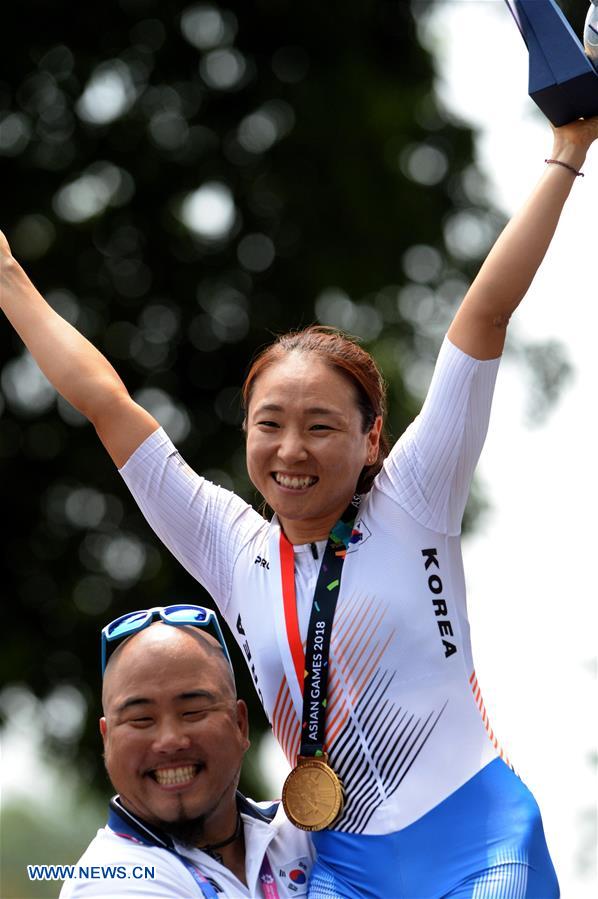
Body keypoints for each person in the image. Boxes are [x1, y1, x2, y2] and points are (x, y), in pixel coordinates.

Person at [3, 116, 598, 897]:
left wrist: (568, 150)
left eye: (320, 426)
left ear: (372, 438)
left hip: (479, 847)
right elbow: (106, 403)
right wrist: (6, 276)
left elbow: (484, 316)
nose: (292, 450)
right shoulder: (229, 546)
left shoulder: (417, 497)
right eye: (270, 425)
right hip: (343, 869)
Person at [59, 604, 314, 898]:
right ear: (107, 739)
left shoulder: (306, 833)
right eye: (141, 719)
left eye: (192, 712)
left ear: (240, 725)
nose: (170, 740)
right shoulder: (109, 880)